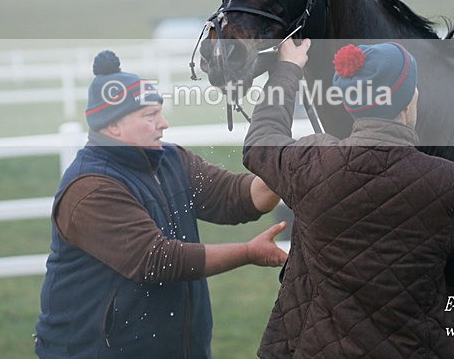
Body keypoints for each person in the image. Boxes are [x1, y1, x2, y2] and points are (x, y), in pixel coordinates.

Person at [243, 39, 454, 358]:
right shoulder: (446, 180)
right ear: (406, 102)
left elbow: (261, 140)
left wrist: (286, 70)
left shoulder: (310, 162)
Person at [35, 50, 288, 358]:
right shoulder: (90, 188)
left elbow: (236, 196)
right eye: (150, 115)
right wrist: (248, 252)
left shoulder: (170, 160)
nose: (164, 123)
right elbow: (157, 260)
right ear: (113, 126)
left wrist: (286, 166)